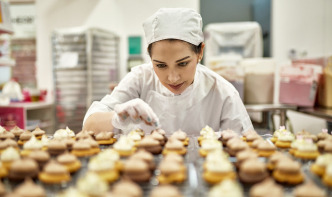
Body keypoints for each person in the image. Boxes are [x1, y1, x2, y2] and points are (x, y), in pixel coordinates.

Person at [83, 8, 254, 135]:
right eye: (161, 65)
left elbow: (247, 143)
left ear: (200, 52)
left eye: (183, 64)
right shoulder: (140, 80)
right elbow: (89, 126)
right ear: (150, 58)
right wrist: (116, 118)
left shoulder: (223, 93)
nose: (172, 78)